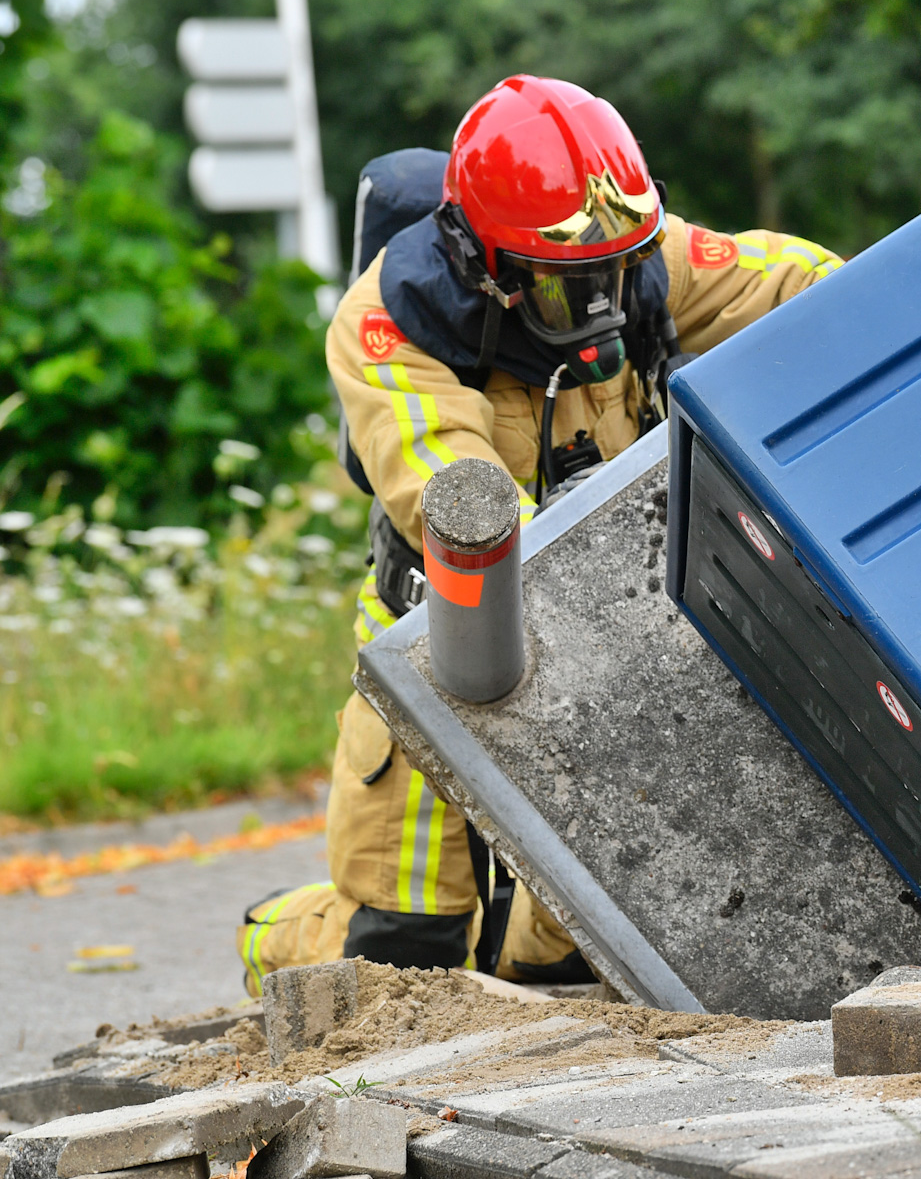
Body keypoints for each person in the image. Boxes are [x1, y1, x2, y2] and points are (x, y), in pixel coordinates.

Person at [237, 75, 843, 992]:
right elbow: (457, 500)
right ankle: (269, 938)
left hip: (614, 642)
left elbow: (814, 284)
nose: (603, 308)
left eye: (618, 272)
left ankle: (509, 950)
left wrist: (913, 315)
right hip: (437, 649)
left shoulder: (635, 255)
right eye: (568, 288)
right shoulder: (389, 324)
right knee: (405, 952)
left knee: (583, 951)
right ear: (488, 265)